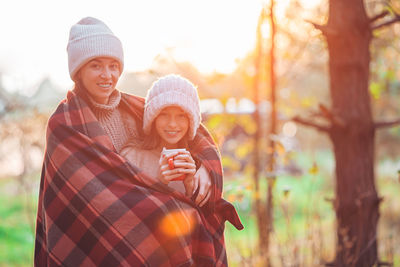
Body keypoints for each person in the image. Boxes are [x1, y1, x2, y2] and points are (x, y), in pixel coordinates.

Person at [34, 17, 243, 267]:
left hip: (151, 226)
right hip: (98, 232)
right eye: (95, 66)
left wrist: (204, 168)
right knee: (180, 220)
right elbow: (96, 197)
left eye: (113, 66)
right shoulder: (65, 124)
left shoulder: (133, 108)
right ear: (78, 69)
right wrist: (168, 208)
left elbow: (193, 129)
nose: (107, 75)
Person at [121, 74, 210, 206]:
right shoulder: (132, 157)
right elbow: (125, 209)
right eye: (164, 115)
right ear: (153, 118)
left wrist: (190, 186)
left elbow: (203, 218)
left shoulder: (199, 163)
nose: (172, 124)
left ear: (191, 122)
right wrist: (159, 183)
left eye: (181, 116)